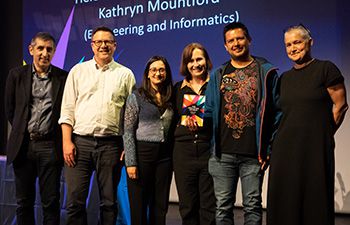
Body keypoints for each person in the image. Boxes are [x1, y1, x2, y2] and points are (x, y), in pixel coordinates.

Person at [267, 24, 348, 225]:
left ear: (310, 43)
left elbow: (341, 105)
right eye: (288, 45)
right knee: (286, 201)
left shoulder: (325, 69)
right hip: (284, 149)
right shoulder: (284, 78)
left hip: (315, 148)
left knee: (315, 200)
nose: (292, 48)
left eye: (297, 42)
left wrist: (325, 134)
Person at [58, 26, 136, 225]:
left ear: (114, 45)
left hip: (111, 146)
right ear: (92, 45)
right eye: (98, 42)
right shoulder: (78, 71)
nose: (103, 45)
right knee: (75, 203)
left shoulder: (126, 75)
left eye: (108, 41)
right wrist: (67, 141)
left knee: (109, 204)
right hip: (79, 145)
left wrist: (128, 146)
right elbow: (67, 109)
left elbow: (132, 117)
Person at [205, 22, 281, 225]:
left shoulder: (265, 71)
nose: (236, 43)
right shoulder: (219, 74)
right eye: (231, 41)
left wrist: (268, 148)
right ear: (225, 46)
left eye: (239, 38)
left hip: (253, 155)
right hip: (222, 155)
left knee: (253, 206)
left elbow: (276, 113)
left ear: (249, 40)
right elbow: (210, 110)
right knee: (222, 208)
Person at [4, 32, 68, 225]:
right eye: (40, 48)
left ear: (54, 52)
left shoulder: (63, 77)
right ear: (31, 50)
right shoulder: (16, 75)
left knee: (51, 203)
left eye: (49, 49)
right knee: (24, 202)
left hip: (50, 147)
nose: (44, 53)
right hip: (24, 146)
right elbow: (10, 109)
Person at [123, 55, 174, 225]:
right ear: (147, 73)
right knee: (139, 204)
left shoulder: (171, 97)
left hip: (165, 157)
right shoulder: (136, 97)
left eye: (161, 70)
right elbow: (128, 131)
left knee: (160, 205)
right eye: (153, 70)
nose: (157, 73)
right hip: (142, 154)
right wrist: (131, 163)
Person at [173, 43, 216, 225]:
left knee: (209, 206)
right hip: (183, 153)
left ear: (206, 61)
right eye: (191, 61)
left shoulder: (215, 86)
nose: (195, 64)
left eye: (199, 59)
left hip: (208, 151)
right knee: (187, 206)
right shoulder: (177, 89)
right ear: (185, 64)